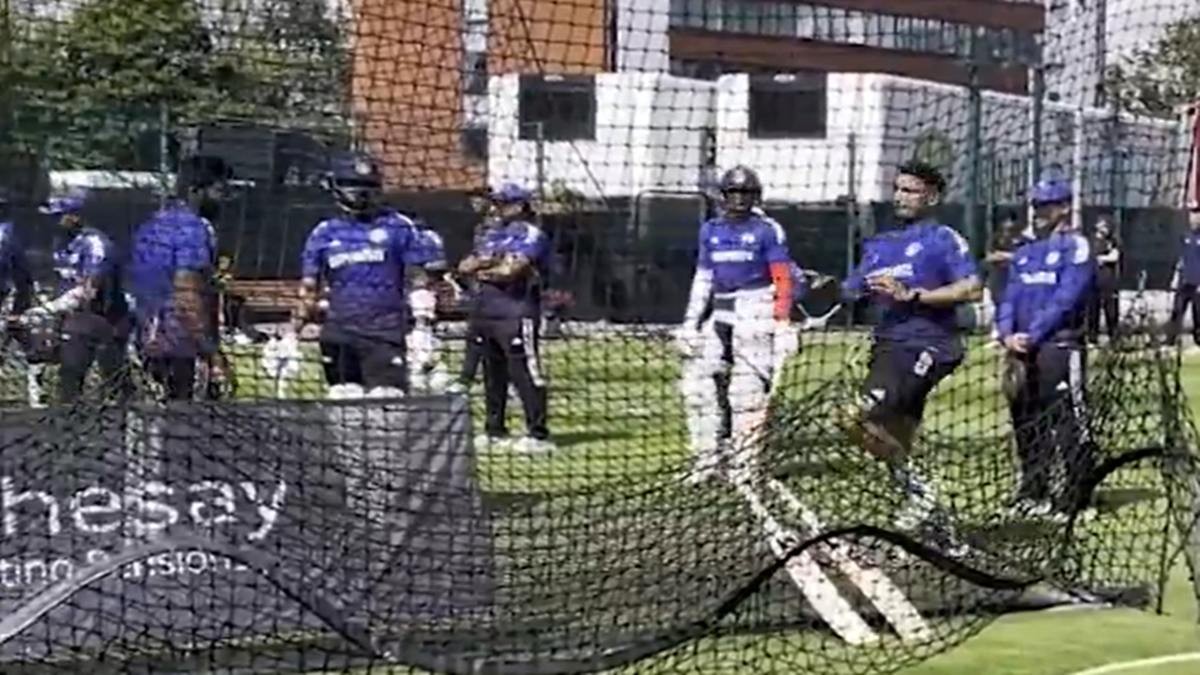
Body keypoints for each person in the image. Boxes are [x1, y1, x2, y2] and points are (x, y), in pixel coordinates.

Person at [840, 160, 982, 532]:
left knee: (853, 417)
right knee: (896, 435)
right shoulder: (880, 244)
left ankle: (921, 493)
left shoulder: (943, 239)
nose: (900, 197)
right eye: (897, 189)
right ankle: (931, 521)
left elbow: (972, 288)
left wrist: (915, 295)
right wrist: (827, 286)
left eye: (910, 190)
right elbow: (850, 288)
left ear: (931, 197)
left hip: (928, 345)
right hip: (888, 346)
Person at [677, 166, 795, 484]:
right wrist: (690, 322)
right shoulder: (710, 230)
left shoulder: (767, 230)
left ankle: (745, 464)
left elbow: (782, 277)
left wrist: (783, 322)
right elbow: (703, 277)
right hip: (720, 310)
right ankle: (706, 460)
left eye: (746, 193)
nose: (739, 199)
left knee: (746, 393)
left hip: (755, 308)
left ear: (756, 196)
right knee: (697, 389)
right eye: (733, 192)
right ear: (723, 195)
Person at [996, 177, 1097, 521]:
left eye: (1047, 205)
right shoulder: (1025, 251)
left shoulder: (1077, 246)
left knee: (1068, 421)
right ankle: (1033, 490)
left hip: (1060, 346)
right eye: (1037, 204)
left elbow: (1066, 300)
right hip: (1021, 349)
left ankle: (1077, 497)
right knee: (1026, 421)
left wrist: (1033, 334)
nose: (1040, 211)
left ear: (1065, 207)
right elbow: (1009, 297)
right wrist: (1006, 333)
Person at [292, 152, 425, 400]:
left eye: (368, 186)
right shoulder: (325, 233)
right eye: (353, 185)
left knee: (387, 403)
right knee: (344, 400)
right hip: (340, 336)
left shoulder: (398, 226)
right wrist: (292, 332)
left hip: (385, 334)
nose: (361, 192)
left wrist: (423, 326)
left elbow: (418, 279)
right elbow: (309, 288)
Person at [457, 183, 554, 453]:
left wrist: (486, 266)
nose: (496, 208)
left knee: (524, 372)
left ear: (519, 206)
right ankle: (495, 429)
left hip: (517, 312)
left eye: (502, 203)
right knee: (492, 373)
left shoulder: (531, 234)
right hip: (486, 312)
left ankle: (538, 434)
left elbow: (511, 271)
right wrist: (490, 262)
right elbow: (465, 265)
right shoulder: (492, 233)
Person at [128, 156, 230, 400]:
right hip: (180, 346)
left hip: (144, 338)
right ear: (195, 191)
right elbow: (186, 294)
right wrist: (213, 354)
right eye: (218, 191)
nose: (222, 200)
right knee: (185, 413)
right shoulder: (192, 229)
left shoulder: (150, 226)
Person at [19, 192, 130, 403]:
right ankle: (70, 416)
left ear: (74, 216)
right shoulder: (60, 242)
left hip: (105, 318)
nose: (52, 221)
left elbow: (89, 291)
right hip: (74, 318)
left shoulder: (96, 244)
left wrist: (50, 308)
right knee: (69, 375)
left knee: (113, 378)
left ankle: (127, 413)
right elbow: (58, 280)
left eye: (58, 216)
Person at [406, 218, 455, 392]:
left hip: (433, 344)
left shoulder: (442, 287)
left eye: (436, 274)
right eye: (428, 273)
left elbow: (450, 308)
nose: (433, 279)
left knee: (438, 383)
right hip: (405, 346)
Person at [1168, 207, 1200, 348]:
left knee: (1198, 313)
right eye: (1192, 216)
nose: (1194, 219)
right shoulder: (1185, 235)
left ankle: (1198, 340)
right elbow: (1181, 258)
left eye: (1197, 216)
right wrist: (1175, 277)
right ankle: (1170, 339)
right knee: (1177, 309)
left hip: (1197, 282)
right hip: (1184, 280)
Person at [1087, 215, 1121, 343]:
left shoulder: (1113, 241)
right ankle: (1092, 337)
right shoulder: (1090, 241)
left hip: (1108, 280)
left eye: (1106, 226)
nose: (1104, 229)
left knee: (1111, 309)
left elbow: (1115, 256)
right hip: (1093, 279)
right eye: (1102, 225)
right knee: (1092, 309)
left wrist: (1101, 258)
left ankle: (1114, 337)